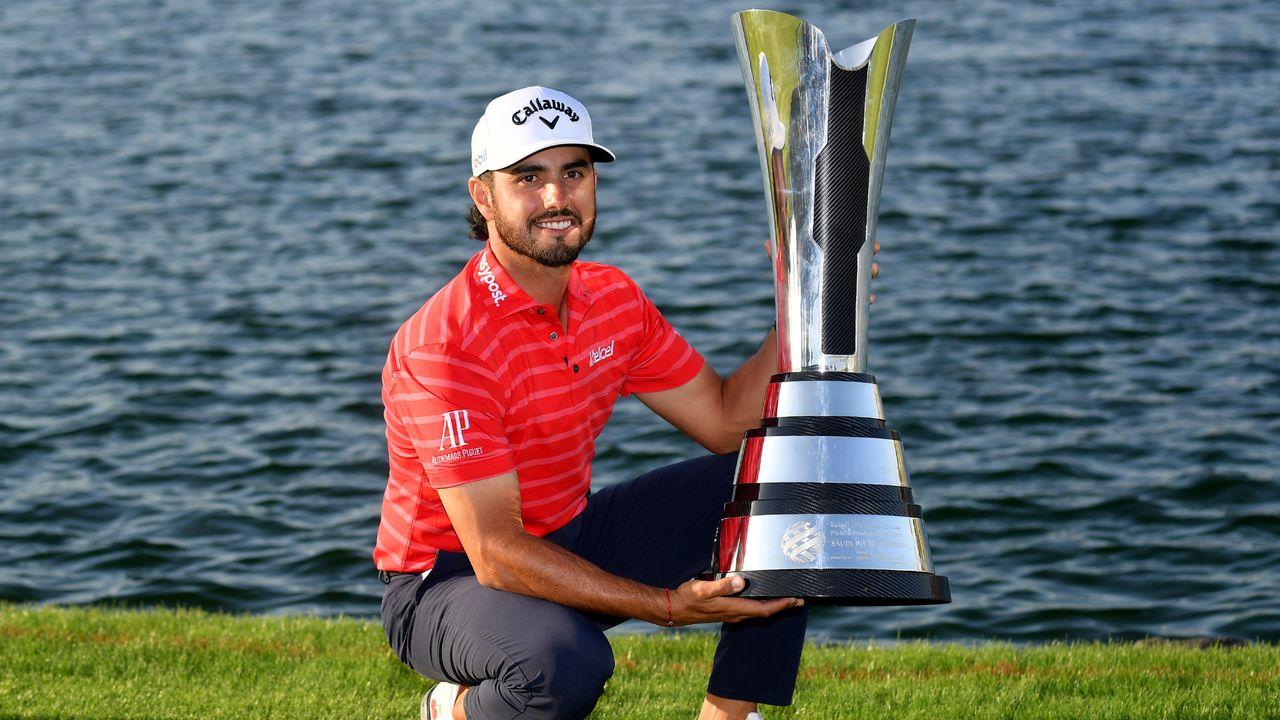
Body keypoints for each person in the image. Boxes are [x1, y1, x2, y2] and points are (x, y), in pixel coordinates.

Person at [374, 86, 812, 720]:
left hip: (569, 535)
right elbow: (495, 551)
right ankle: (456, 710)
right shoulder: (445, 344)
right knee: (563, 660)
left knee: (790, 478)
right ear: (482, 196)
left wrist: (800, 309)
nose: (556, 196)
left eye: (573, 172)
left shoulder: (611, 297)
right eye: (529, 177)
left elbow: (724, 423)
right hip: (443, 582)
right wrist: (666, 606)